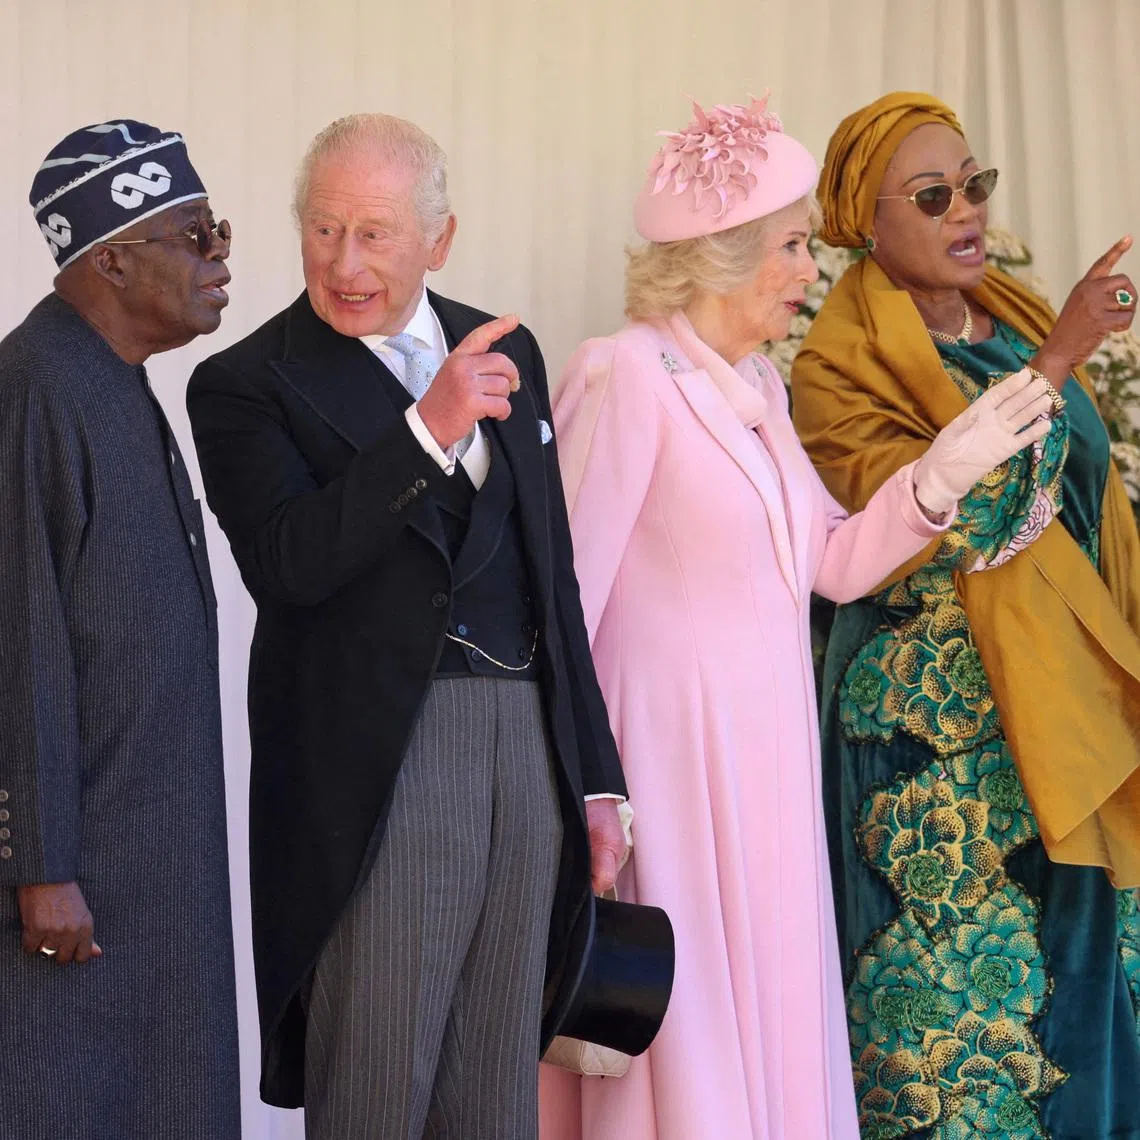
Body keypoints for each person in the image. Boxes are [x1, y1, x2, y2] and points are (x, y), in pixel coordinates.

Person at [539, 95, 1056, 1140]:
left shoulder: (761, 388)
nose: (809, 269)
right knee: (685, 1038)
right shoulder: (623, 373)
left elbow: (829, 563)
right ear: (721, 259)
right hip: (670, 764)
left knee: (769, 1022)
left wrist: (948, 466)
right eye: (788, 247)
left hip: (767, 760)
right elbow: (564, 601)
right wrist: (584, 785)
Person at [186, 112, 629, 1139]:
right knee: (380, 1079)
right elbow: (288, 564)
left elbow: (550, 578)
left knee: (492, 1090)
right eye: (323, 229)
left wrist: (595, 776)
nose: (344, 262)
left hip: (524, 748)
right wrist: (426, 430)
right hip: (379, 757)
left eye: (375, 233)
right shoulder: (245, 383)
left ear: (441, 237)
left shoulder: (503, 347)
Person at [791, 91, 1140, 1139]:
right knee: (963, 1025)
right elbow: (944, 514)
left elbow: (1083, 495)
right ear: (867, 222)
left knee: (1087, 973)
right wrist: (1063, 360)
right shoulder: (835, 370)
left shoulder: (1015, 321)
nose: (965, 211)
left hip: (1060, 702)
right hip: (934, 739)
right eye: (933, 195)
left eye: (974, 185)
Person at [0, 121, 240, 1137]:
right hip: (83, 881)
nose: (222, 259)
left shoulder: (115, 378)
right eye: (199, 237)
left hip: (148, 858)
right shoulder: (38, 386)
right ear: (114, 256)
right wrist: (42, 865)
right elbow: (21, 638)